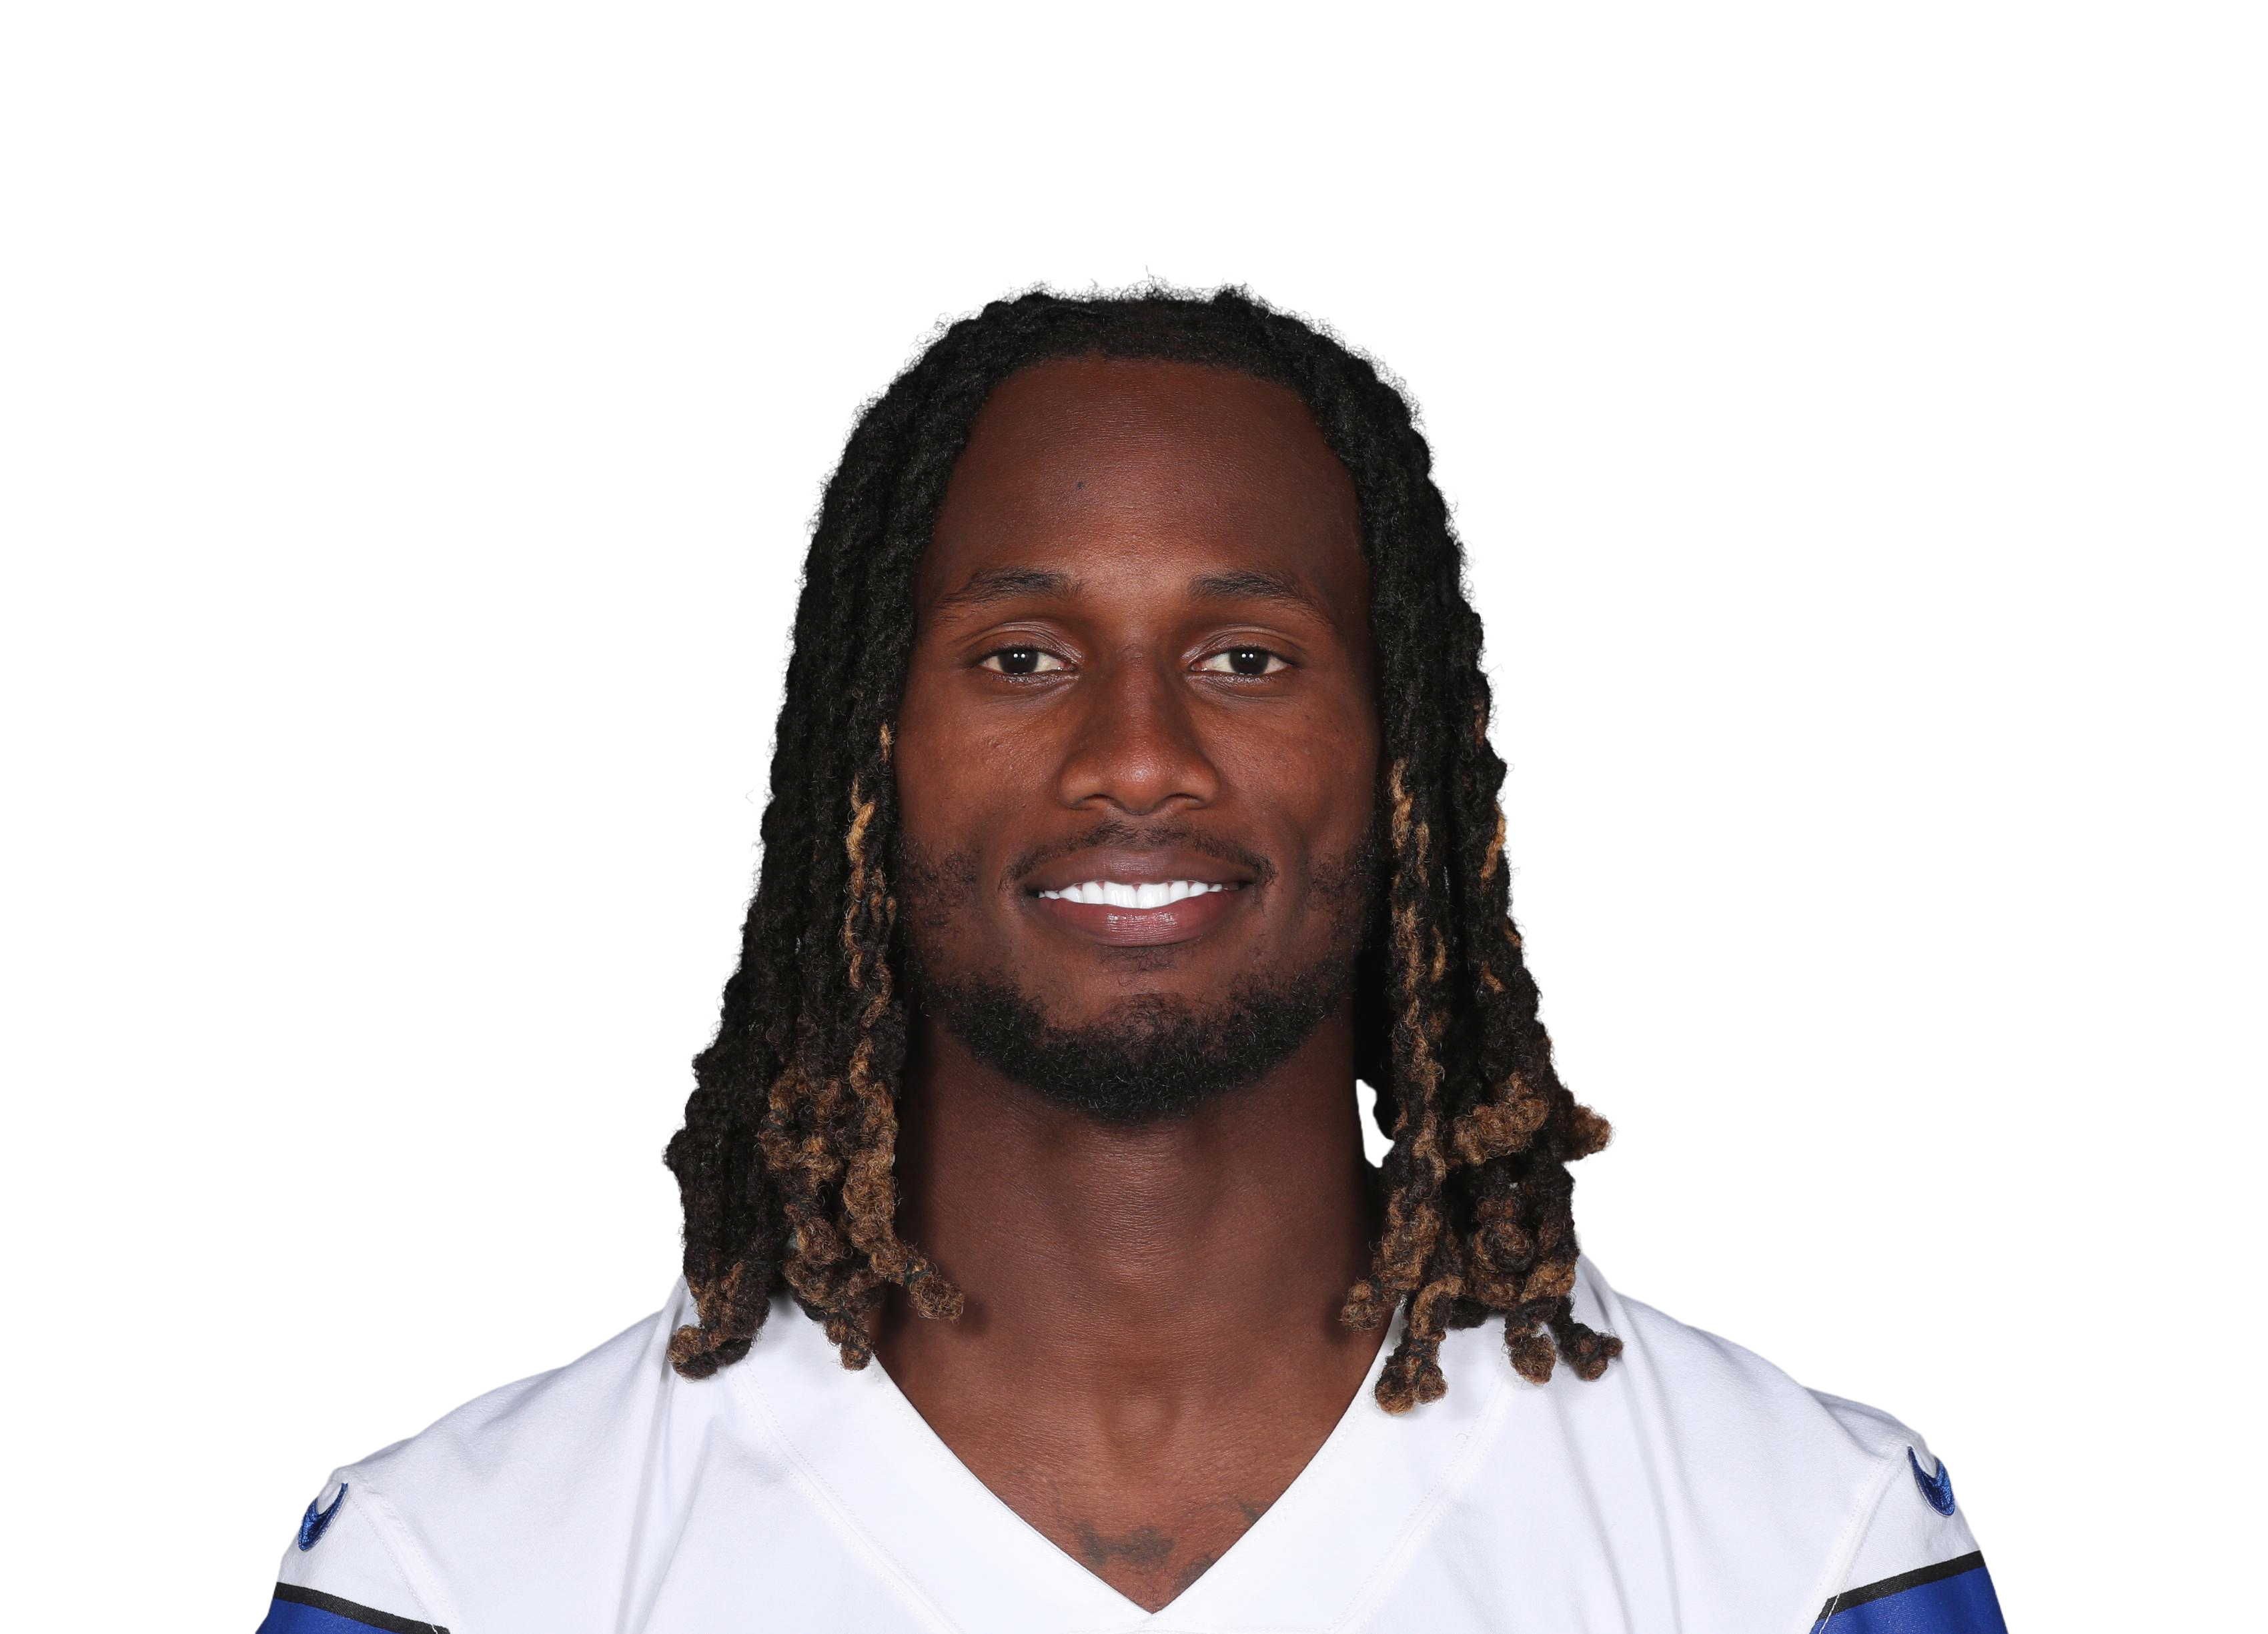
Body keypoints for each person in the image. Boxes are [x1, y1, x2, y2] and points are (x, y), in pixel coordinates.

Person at [256, 277, 2006, 1632]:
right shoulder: (466, 1576)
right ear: (870, 747)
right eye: (1022, 656)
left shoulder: (1803, 1555)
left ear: (1403, 757)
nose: (1140, 760)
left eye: (1246, 658)